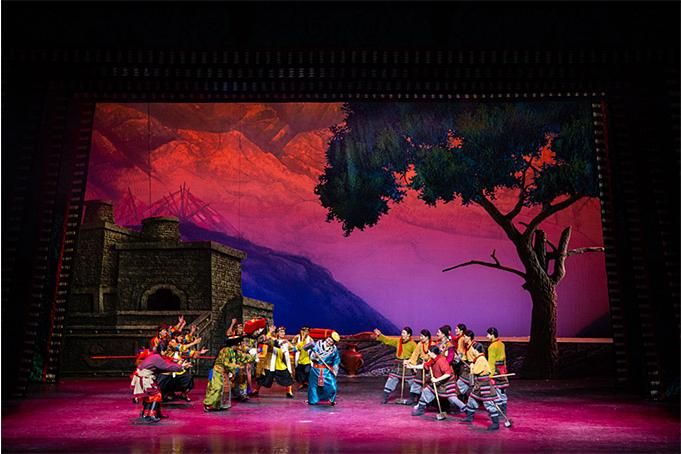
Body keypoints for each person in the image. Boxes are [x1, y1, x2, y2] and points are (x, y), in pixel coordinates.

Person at [130, 346, 191, 423]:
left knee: (151, 395)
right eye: (166, 351)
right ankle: (151, 415)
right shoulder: (157, 357)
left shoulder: (154, 356)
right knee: (156, 395)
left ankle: (148, 413)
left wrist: (179, 366)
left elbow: (163, 367)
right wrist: (180, 367)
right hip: (145, 377)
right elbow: (166, 366)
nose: (166, 353)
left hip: (145, 376)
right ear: (162, 351)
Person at [459, 342, 504, 430]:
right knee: (472, 400)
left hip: (484, 385)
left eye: (472, 349)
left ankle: (496, 423)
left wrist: (472, 367)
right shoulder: (478, 359)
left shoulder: (481, 359)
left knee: (488, 403)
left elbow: (476, 372)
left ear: (475, 350)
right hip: (479, 384)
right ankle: (469, 417)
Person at [410, 345, 458, 416]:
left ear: (432, 353)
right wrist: (412, 366)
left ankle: (465, 410)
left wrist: (436, 380)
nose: (428, 353)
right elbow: (424, 365)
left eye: (429, 352)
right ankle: (420, 409)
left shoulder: (441, 360)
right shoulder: (433, 360)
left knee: (451, 398)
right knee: (426, 391)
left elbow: (448, 374)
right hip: (438, 381)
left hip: (446, 383)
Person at [373, 326, 416, 404]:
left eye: (404, 333)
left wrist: (411, 362)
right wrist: (380, 335)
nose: (402, 334)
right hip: (398, 364)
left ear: (408, 335)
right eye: (402, 332)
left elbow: (416, 355)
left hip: (407, 364)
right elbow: (388, 340)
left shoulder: (412, 344)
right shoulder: (398, 341)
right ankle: (385, 396)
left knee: (412, 381)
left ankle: (413, 398)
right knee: (392, 379)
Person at [255, 326, 295, 398]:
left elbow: (293, 348)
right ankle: (256, 390)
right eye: (281, 332)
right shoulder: (272, 340)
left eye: (284, 332)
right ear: (277, 333)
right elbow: (266, 339)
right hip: (270, 364)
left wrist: (299, 347)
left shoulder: (286, 342)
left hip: (280, 364)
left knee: (287, 377)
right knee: (263, 378)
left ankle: (289, 392)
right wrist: (270, 332)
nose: (283, 333)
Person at [203, 336, 242, 411]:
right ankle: (207, 403)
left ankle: (217, 405)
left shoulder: (232, 352)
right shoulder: (226, 350)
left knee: (223, 388)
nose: (238, 347)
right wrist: (236, 366)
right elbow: (226, 363)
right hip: (218, 371)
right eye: (238, 345)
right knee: (217, 388)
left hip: (224, 372)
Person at [306, 331, 341, 406]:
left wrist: (335, 370)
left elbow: (336, 360)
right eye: (328, 340)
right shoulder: (318, 344)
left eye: (331, 342)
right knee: (313, 386)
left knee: (332, 385)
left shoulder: (334, 350)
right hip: (315, 370)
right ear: (327, 338)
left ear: (333, 343)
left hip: (326, 371)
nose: (328, 342)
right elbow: (311, 355)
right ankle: (312, 400)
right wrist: (314, 356)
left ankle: (330, 399)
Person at [404, 329, 432, 404]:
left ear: (427, 337)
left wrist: (428, 362)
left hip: (430, 366)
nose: (420, 338)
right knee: (417, 381)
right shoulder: (420, 344)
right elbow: (415, 354)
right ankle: (412, 398)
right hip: (421, 364)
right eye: (420, 336)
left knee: (428, 383)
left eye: (422, 336)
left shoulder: (432, 344)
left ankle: (425, 400)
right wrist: (410, 362)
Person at [486, 327, 509, 414]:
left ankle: (499, 411)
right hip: (502, 370)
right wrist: (505, 368)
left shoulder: (492, 346)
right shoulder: (501, 344)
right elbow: (504, 358)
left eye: (488, 334)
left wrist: (490, 375)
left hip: (496, 370)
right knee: (502, 390)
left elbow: (491, 362)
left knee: (497, 390)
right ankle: (504, 409)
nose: (487, 336)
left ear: (492, 335)